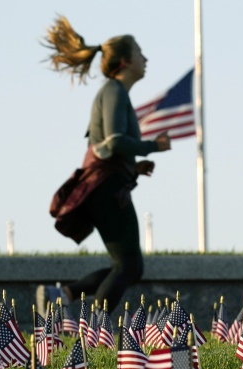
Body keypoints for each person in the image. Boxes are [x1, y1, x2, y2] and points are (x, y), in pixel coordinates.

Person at [38, 16, 170, 315]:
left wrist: (133, 168)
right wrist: (153, 146)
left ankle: (61, 294)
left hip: (109, 184)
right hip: (106, 189)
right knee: (128, 266)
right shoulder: (113, 91)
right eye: (139, 52)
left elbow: (109, 148)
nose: (145, 58)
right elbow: (114, 140)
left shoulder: (116, 93)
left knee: (128, 267)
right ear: (124, 61)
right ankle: (94, 329)